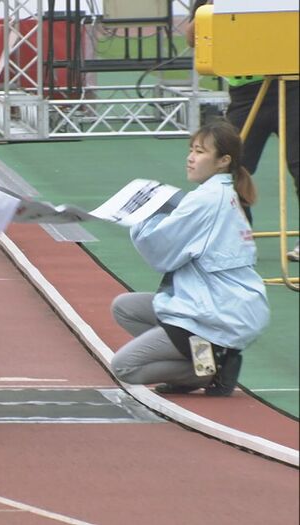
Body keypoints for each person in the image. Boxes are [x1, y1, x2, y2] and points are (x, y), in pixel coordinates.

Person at [110, 120, 270, 396]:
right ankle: (205, 361)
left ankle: (208, 371)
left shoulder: (207, 199)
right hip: (222, 303)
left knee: (124, 367)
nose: (190, 157)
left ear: (223, 161)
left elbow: (162, 250)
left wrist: (136, 217)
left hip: (218, 312)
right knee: (126, 307)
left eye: (199, 152)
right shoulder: (219, 192)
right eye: (191, 150)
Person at [186, 0, 300, 261]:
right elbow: (193, 38)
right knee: (229, 165)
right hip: (246, 90)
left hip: (294, 82)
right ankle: (238, 235)